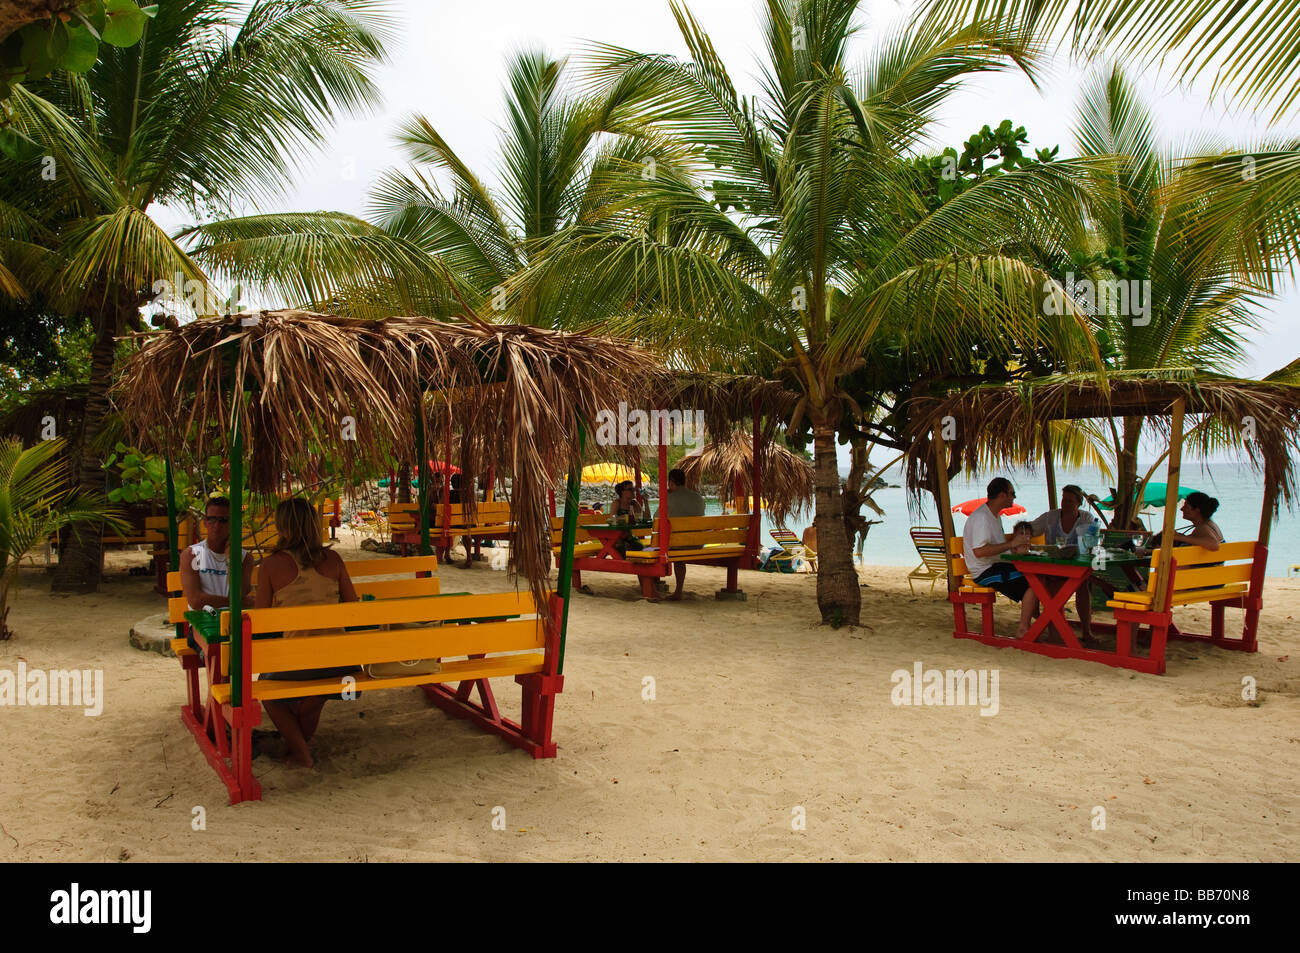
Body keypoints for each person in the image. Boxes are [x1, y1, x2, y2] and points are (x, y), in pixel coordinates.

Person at [256, 497, 360, 769]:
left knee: (269, 694)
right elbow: (354, 610)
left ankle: (300, 753)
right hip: (342, 663)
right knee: (319, 688)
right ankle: (299, 746)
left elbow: (261, 620)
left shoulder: (270, 566)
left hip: (298, 661)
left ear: (282, 526)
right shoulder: (334, 559)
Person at [963, 477, 1040, 638]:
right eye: (1012, 493)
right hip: (984, 571)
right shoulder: (982, 518)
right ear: (1002, 495)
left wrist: (1017, 549)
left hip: (995, 565)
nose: (1014, 497)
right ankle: (1023, 629)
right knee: (1033, 583)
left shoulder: (993, 516)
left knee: (1039, 577)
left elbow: (996, 549)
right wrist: (1011, 544)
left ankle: (1042, 619)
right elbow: (979, 551)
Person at [1029, 484, 1100, 642]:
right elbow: (1029, 529)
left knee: (1083, 585)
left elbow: (1091, 542)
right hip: (1052, 568)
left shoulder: (1086, 518)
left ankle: (1086, 631)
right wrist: (1021, 539)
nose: (1065, 504)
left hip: (1075, 567)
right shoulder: (1051, 517)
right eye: (1064, 499)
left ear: (1078, 503)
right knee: (1053, 588)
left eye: (1070, 501)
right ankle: (1055, 633)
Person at [180, 496, 253, 611]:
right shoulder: (193, 554)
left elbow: (239, 592)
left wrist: (230, 559)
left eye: (223, 520)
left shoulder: (244, 558)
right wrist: (237, 602)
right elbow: (196, 601)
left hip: (233, 619)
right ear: (205, 522)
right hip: (205, 619)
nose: (217, 525)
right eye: (212, 519)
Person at [658, 468, 706, 600]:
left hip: (677, 545)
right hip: (697, 543)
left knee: (652, 548)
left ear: (671, 482)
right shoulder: (698, 497)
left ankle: (657, 584)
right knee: (675, 548)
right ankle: (678, 590)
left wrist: (667, 497)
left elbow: (656, 519)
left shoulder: (669, 498)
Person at [1148, 492, 1224, 551]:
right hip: (1211, 569)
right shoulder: (1210, 524)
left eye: (1186, 506)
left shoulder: (1203, 528)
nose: (1182, 509)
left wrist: (1180, 537)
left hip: (1196, 571)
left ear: (1197, 510)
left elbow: (1214, 545)